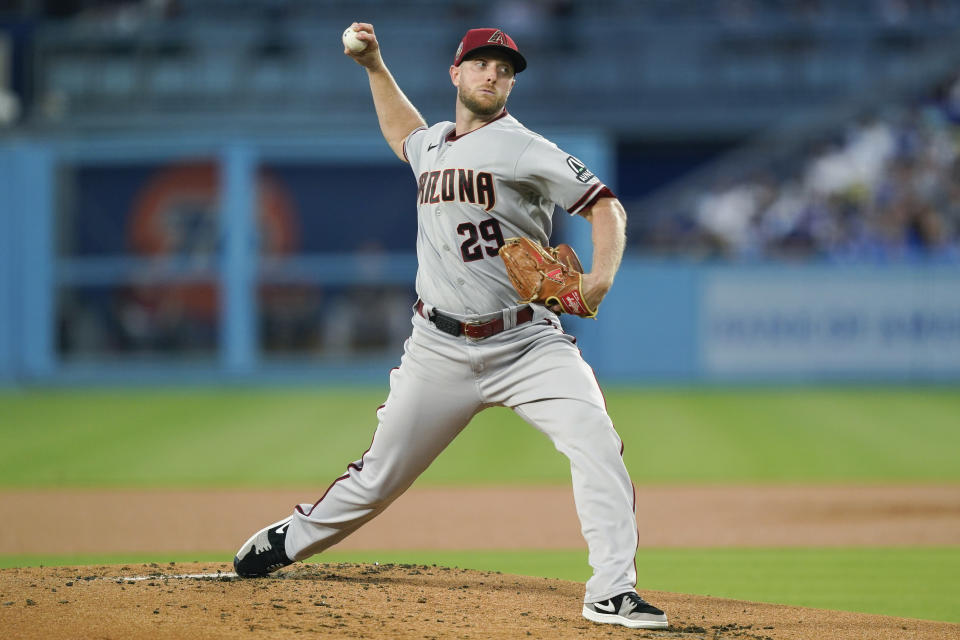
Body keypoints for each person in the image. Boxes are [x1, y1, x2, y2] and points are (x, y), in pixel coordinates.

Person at [233, 23, 668, 631]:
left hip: (527, 342)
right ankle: (292, 537)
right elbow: (403, 132)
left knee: (596, 444)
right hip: (437, 348)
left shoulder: (524, 147)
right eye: (483, 63)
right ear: (456, 74)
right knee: (378, 480)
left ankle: (611, 591)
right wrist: (375, 66)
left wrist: (598, 279)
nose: (494, 74)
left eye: (506, 68)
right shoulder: (433, 146)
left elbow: (605, 205)